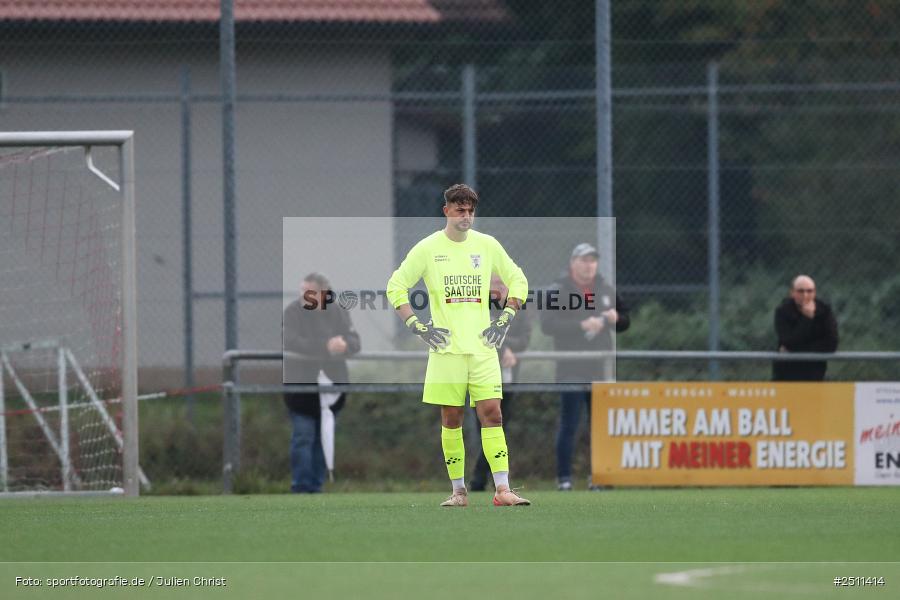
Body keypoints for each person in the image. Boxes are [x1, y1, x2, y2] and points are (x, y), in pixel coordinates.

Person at [386, 183, 531, 507]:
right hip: (446, 351)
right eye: (459, 210)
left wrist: (505, 317)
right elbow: (396, 287)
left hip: (482, 348)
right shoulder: (427, 248)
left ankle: (503, 490)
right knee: (451, 418)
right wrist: (417, 325)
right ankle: (458, 491)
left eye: (470, 211)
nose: (466, 217)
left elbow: (519, 279)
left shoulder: (488, 245)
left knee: (493, 414)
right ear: (447, 211)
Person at [541, 243, 630, 491]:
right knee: (570, 423)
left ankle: (600, 477)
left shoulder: (605, 288)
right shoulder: (558, 289)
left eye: (592, 260)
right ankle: (565, 479)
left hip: (600, 368)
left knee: (600, 425)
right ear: (573, 263)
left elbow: (625, 320)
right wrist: (581, 325)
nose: (589, 265)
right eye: (584, 260)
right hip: (570, 366)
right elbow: (547, 325)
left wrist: (617, 319)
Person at [283, 272, 360, 493]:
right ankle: (301, 486)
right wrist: (325, 345)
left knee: (322, 437)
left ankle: (315, 486)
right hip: (301, 390)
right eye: (302, 291)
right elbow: (290, 341)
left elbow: (355, 340)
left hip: (331, 389)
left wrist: (344, 344)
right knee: (303, 437)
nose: (304, 296)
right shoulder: (293, 312)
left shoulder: (338, 311)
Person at [469, 274, 532, 492]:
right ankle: (484, 481)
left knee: (497, 429)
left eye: (504, 283)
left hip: (509, 379)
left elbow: (525, 340)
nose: (501, 287)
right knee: (485, 430)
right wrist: (503, 348)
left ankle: (484, 480)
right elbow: (477, 335)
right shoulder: (478, 307)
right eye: (495, 283)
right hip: (480, 377)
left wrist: (507, 347)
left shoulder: (518, 309)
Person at [772, 274, 839, 381]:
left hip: (815, 373)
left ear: (815, 292)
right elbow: (788, 341)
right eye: (800, 291)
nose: (805, 295)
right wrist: (806, 319)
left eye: (809, 291)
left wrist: (796, 350)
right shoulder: (783, 311)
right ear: (792, 293)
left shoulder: (824, 310)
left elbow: (831, 345)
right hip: (786, 374)